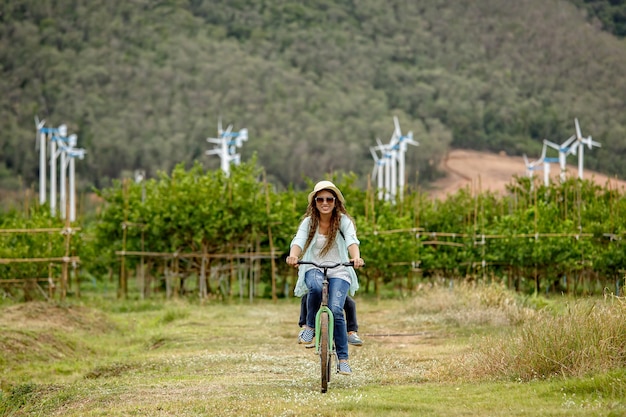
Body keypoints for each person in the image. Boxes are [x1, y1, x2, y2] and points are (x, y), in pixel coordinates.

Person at [286, 180, 364, 375]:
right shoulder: (309, 222)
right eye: (320, 199)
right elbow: (299, 240)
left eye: (329, 198)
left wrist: (356, 257)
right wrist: (294, 255)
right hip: (313, 267)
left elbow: (352, 240)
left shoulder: (343, 221)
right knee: (314, 287)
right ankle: (310, 326)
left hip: (340, 270)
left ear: (336, 201)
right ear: (314, 203)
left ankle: (343, 359)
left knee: (336, 310)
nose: (325, 202)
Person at [298, 294, 363, 346]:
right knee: (306, 298)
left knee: (350, 303)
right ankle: (305, 327)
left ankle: (351, 332)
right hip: (319, 289)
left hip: (335, 290)